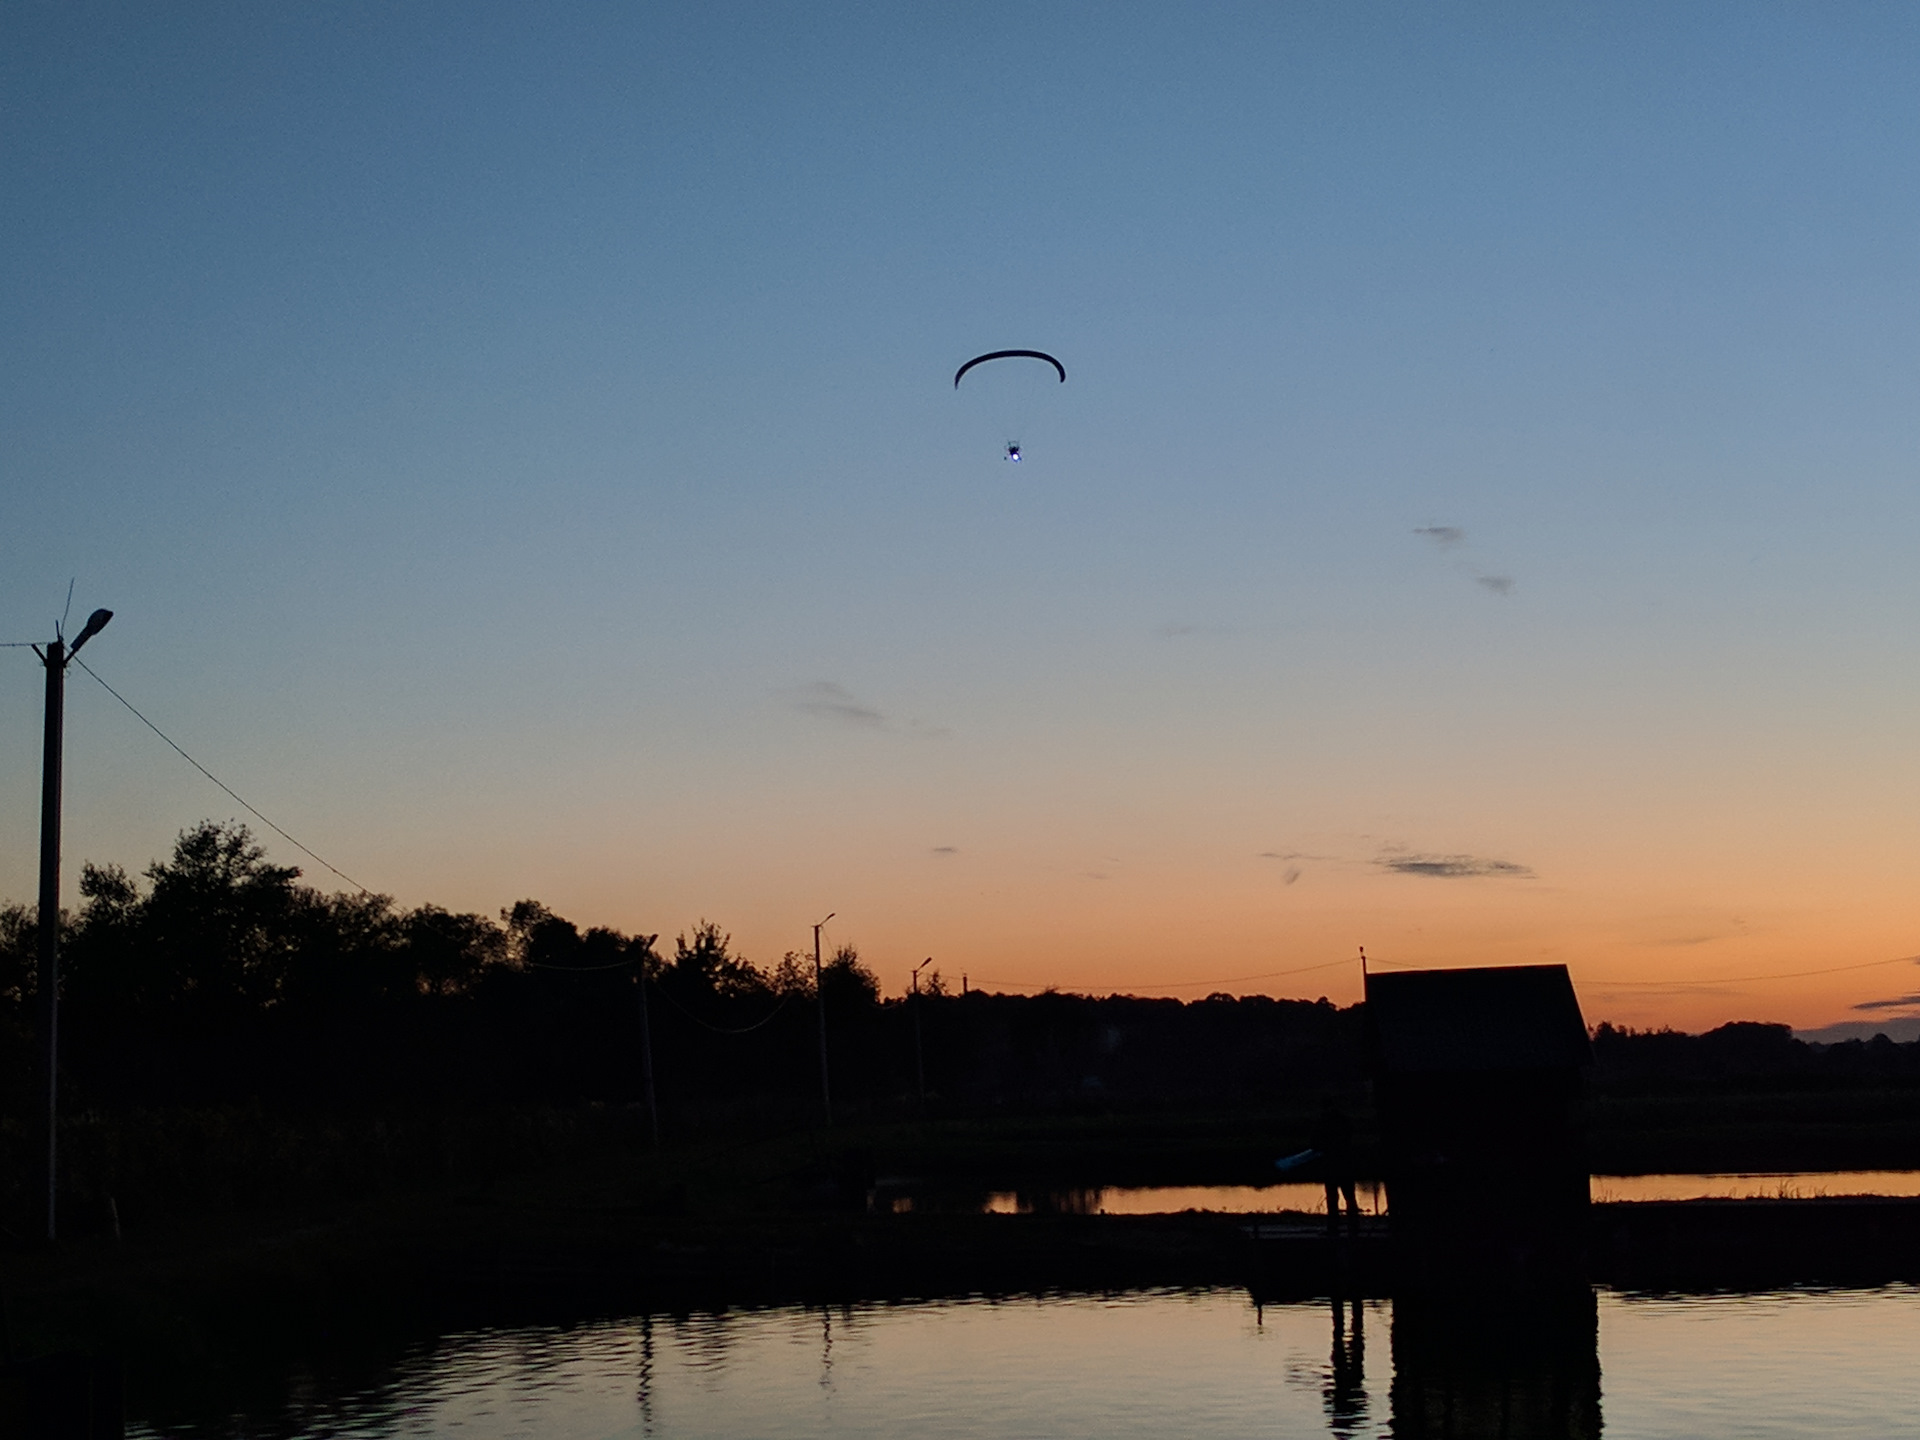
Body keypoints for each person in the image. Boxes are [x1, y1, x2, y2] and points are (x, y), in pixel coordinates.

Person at [1312, 1099, 1361, 1240]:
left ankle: (1334, 1228)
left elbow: (1315, 1143)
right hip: (1345, 1164)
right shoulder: (1344, 1121)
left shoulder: (1322, 1122)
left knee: (1333, 1198)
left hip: (1331, 1166)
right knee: (1349, 1197)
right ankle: (1353, 1227)